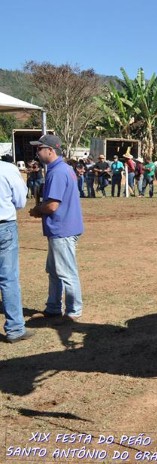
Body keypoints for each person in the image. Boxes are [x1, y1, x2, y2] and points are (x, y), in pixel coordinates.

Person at [28, 135, 84, 321]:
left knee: (66, 272)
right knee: (54, 271)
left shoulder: (57, 172)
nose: (37, 152)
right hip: (62, 228)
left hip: (63, 229)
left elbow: (52, 206)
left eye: (39, 148)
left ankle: (74, 310)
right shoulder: (62, 169)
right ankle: (53, 306)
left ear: (50, 150)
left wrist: (37, 210)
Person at [0, 159, 32, 342]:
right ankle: (15, 328)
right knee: (9, 278)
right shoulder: (7, 169)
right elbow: (20, 200)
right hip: (4, 225)